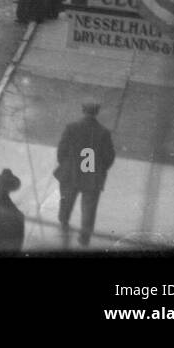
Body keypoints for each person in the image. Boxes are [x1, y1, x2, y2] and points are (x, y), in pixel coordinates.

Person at [55, 102, 116, 247]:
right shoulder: (103, 132)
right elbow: (109, 156)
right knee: (89, 208)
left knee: (66, 200)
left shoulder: (71, 128)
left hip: (71, 173)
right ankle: (84, 237)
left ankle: (64, 223)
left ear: (83, 110)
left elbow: (61, 150)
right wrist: (100, 169)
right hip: (92, 176)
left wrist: (65, 164)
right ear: (97, 112)